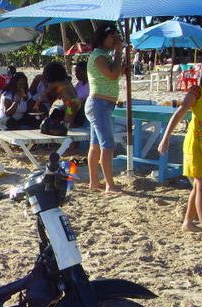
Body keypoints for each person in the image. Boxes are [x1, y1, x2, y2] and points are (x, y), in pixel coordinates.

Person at [158, 64, 202, 243]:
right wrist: (165, 138)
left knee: (198, 187)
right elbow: (179, 114)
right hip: (196, 147)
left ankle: (188, 221)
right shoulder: (197, 92)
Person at [85, 23, 123, 193]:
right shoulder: (99, 56)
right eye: (112, 36)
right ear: (102, 38)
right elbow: (113, 74)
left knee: (96, 146)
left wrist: (120, 60)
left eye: (116, 36)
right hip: (99, 104)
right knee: (107, 145)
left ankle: (94, 181)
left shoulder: (103, 56)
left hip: (101, 104)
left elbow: (114, 74)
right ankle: (110, 185)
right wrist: (119, 51)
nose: (115, 39)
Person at [34, 61, 82, 128]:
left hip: (70, 104)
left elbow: (44, 94)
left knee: (67, 125)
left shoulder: (55, 84)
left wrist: (36, 105)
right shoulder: (65, 81)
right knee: (65, 122)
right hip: (73, 102)